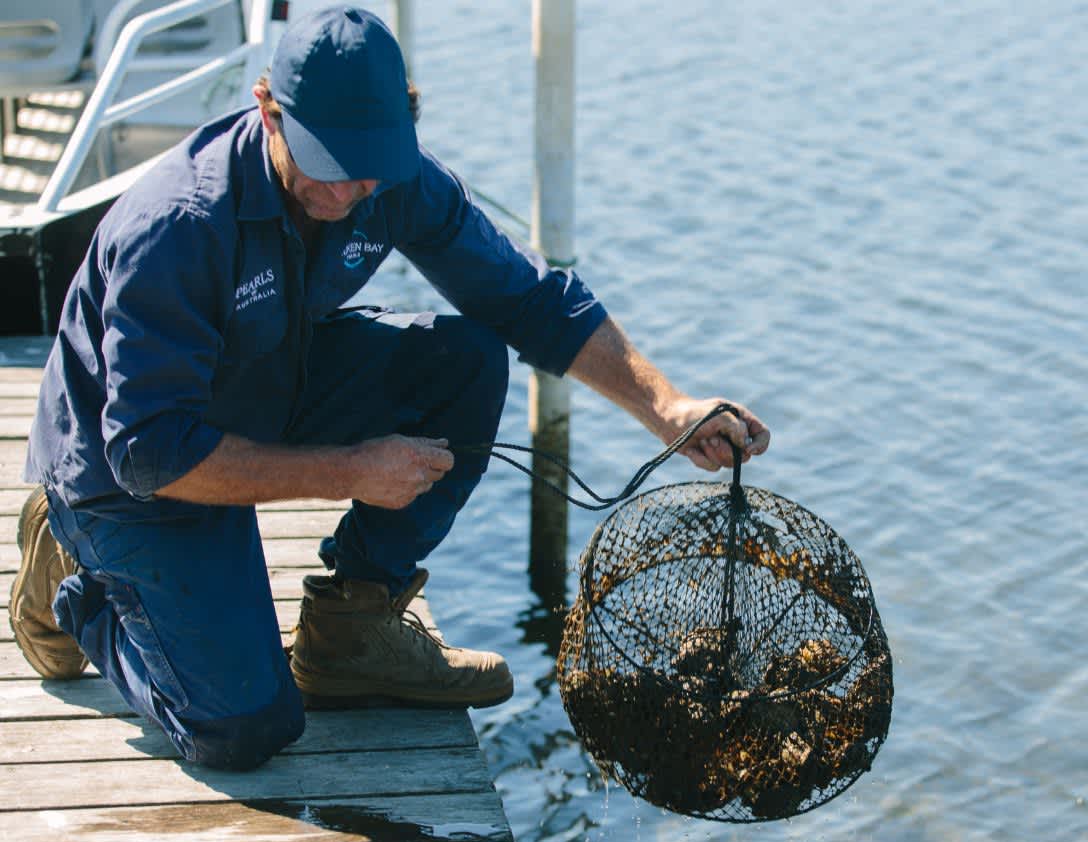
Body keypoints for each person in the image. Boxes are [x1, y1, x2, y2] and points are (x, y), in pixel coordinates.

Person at [7, 6, 769, 771]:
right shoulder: (177, 225)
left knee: (469, 358)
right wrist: (349, 470)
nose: (344, 192)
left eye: (365, 165)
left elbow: (528, 300)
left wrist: (665, 405)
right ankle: (77, 578)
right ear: (267, 109)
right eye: (324, 162)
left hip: (266, 382)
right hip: (132, 471)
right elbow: (149, 452)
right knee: (241, 730)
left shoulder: (393, 180)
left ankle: (352, 629)